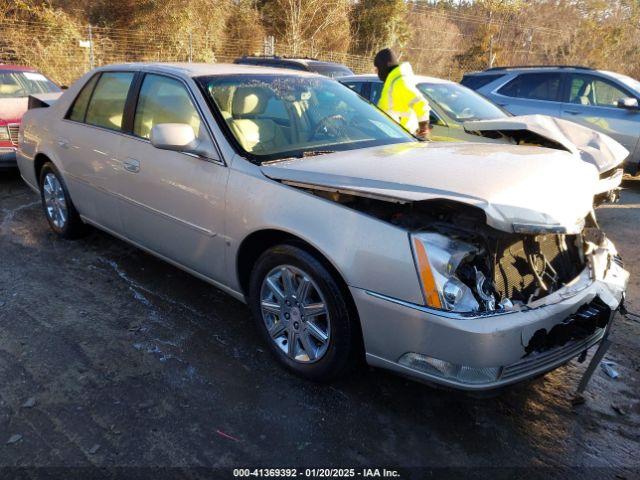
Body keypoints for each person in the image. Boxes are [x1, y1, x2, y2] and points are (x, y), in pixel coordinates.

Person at [374, 48, 431, 139]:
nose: (377, 73)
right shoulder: (393, 81)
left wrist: (423, 129)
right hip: (392, 136)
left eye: (378, 69)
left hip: (400, 138)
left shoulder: (399, 82)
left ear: (384, 66)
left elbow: (420, 103)